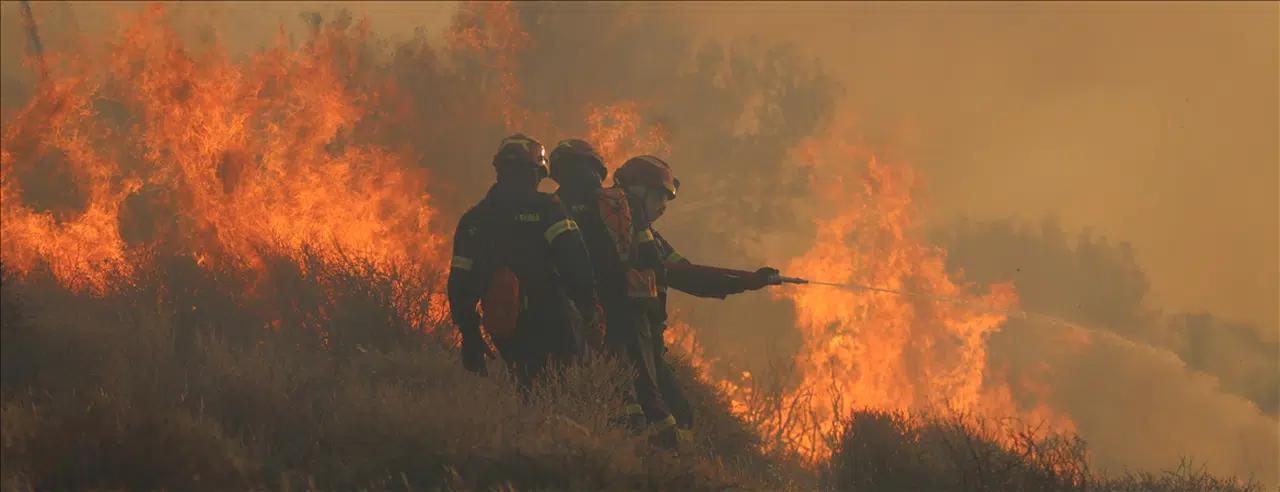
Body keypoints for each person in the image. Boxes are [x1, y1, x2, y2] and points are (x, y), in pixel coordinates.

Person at [612, 155, 781, 442]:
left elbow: (691, 276)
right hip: (625, 345)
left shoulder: (650, 239)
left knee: (678, 419)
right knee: (663, 422)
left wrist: (748, 282)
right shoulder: (621, 236)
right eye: (659, 198)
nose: (663, 207)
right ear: (639, 192)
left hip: (646, 346)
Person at [547, 139, 680, 449]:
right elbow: (656, 263)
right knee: (649, 393)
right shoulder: (621, 207)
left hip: (585, 313)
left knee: (614, 388)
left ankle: (626, 452)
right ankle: (668, 460)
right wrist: (656, 319)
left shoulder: (551, 207)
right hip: (630, 314)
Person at [447, 134, 605, 391]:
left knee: (525, 387)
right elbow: (574, 260)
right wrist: (589, 307)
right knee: (567, 389)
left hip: (505, 325)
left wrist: (469, 332)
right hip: (553, 320)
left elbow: (460, 282)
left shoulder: (473, 220)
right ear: (536, 172)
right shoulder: (548, 208)